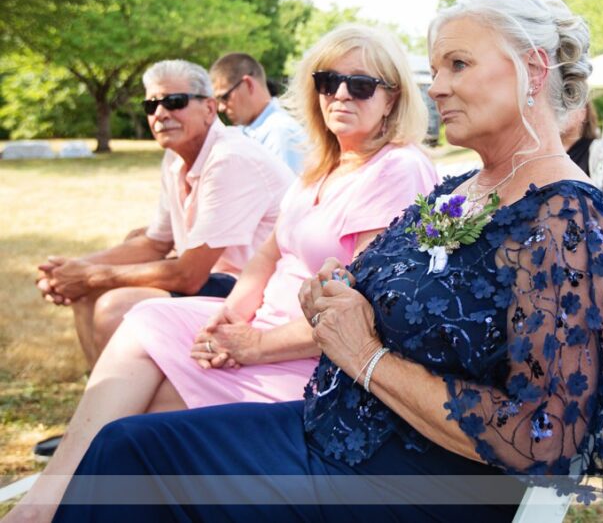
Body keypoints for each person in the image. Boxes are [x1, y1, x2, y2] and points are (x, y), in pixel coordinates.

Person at [47, 0, 603, 522]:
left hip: (408, 481)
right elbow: (364, 279)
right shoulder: (464, 190)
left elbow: (545, 438)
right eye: (436, 67)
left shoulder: (566, 219)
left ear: (533, 70)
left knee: (132, 458)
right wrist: (330, 292)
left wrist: (366, 355)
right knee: (127, 441)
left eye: (458, 64)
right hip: (334, 427)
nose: (436, 87)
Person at [8, 25, 438, 521]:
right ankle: (47, 503)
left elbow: (359, 312)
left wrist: (253, 346)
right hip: (258, 329)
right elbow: (266, 258)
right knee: (141, 325)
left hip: (312, 360)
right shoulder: (325, 167)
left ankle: (47, 506)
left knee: (140, 415)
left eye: (361, 84)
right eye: (328, 81)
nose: (340, 94)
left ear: (392, 99)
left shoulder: (397, 169)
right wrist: (228, 320)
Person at [35, 60, 294, 367]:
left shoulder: (230, 158)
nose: (160, 113)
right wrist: (73, 269)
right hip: (216, 278)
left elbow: (189, 275)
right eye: (151, 104)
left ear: (210, 109)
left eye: (175, 102)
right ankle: (105, 399)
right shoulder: (175, 156)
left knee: (113, 306)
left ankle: (125, 406)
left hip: (253, 291)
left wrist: (91, 275)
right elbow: (154, 243)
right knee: (87, 295)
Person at [210, 52, 308, 173]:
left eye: (224, 97)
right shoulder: (248, 130)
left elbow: (287, 190)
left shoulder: (280, 133)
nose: (221, 108)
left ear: (249, 84)